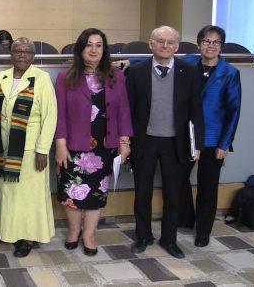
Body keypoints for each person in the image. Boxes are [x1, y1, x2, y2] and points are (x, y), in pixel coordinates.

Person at [126, 25, 204, 259]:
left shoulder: (189, 72)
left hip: (176, 143)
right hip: (145, 141)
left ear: (177, 47)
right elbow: (128, 110)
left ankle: (169, 239)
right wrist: (126, 140)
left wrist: (196, 144)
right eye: (160, 41)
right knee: (142, 193)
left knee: (173, 195)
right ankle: (143, 236)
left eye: (171, 42)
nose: (165, 46)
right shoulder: (137, 72)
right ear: (151, 44)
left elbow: (197, 112)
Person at [54, 28, 133, 256]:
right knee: (71, 192)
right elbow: (60, 115)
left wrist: (124, 141)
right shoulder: (65, 77)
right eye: (89, 44)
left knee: (96, 194)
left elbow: (124, 111)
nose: (94, 49)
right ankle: (74, 231)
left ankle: (89, 234)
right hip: (73, 147)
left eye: (99, 45)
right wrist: (60, 145)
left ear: (104, 50)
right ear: (80, 48)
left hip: (104, 146)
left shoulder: (116, 76)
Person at [0, 37, 57, 258]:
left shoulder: (42, 79)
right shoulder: (0, 77)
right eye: (18, 51)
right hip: (3, 148)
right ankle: (1, 228)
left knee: (28, 195)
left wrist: (43, 149)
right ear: (11, 54)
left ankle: (27, 236)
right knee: (2, 190)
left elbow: (50, 117)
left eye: (27, 51)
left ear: (33, 56)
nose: (22, 55)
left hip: (30, 149)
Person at [177, 25, 242, 247]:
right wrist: (130, 62)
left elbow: (234, 111)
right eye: (206, 41)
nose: (211, 46)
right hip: (188, 135)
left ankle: (203, 231)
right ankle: (186, 219)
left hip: (214, 139)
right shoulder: (188, 63)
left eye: (216, 42)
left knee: (208, 187)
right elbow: (162, 57)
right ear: (199, 44)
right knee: (177, 179)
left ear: (221, 46)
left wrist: (225, 144)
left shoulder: (230, 73)